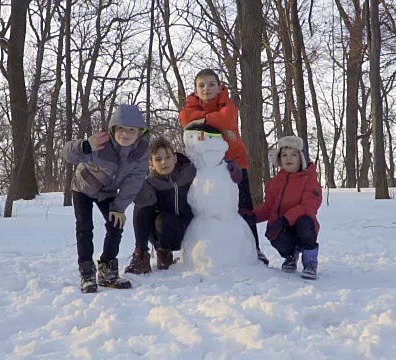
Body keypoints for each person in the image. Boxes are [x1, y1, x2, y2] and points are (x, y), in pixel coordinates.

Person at [178, 69, 269, 265]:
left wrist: (201, 120)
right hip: (207, 167)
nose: (206, 89)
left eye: (211, 84)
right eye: (201, 85)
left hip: (235, 162)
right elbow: (186, 118)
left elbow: (226, 118)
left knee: (243, 207)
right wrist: (211, 119)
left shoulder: (227, 104)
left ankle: (255, 249)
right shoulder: (190, 106)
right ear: (195, 90)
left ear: (220, 87)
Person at [125, 136, 243, 274]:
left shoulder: (189, 172)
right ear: (151, 163)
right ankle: (144, 256)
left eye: (168, 157)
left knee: (165, 219)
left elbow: (211, 164)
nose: (164, 162)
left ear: (175, 158)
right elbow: (141, 206)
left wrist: (229, 164)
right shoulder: (150, 183)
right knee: (143, 207)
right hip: (162, 232)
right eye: (158, 159)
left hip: (189, 230)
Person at [63, 104, 149, 293]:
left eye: (131, 130)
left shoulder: (141, 151)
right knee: (85, 228)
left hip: (108, 191)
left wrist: (119, 207)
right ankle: (86, 274)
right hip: (83, 187)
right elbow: (67, 153)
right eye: (121, 129)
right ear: (113, 129)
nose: (125, 134)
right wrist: (85, 145)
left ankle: (107, 271)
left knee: (116, 223)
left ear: (140, 132)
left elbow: (134, 181)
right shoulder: (100, 143)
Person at [245, 135, 322, 279]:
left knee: (305, 223)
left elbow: (308, 207)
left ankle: (310, 261)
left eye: (294, 155)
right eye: (284, 155)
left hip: (303, 226)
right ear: (279, 159)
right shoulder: (274, 183)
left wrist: (286, 219)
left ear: (301, 159)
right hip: (283, 227)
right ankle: (290, 256)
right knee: (274, 231)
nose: (288, 158)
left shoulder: (310, 180)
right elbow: (269, 208)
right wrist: (253, 216)